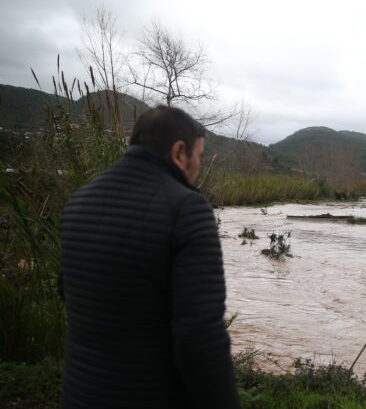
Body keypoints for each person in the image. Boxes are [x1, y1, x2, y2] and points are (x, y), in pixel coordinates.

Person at [57, 106, 240, 408]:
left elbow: (67, 288)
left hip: (79, 395)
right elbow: (200, 337)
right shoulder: (187, 209)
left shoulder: (79, 201)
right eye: (200, 157)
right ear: (180, 152)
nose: (198, 168)